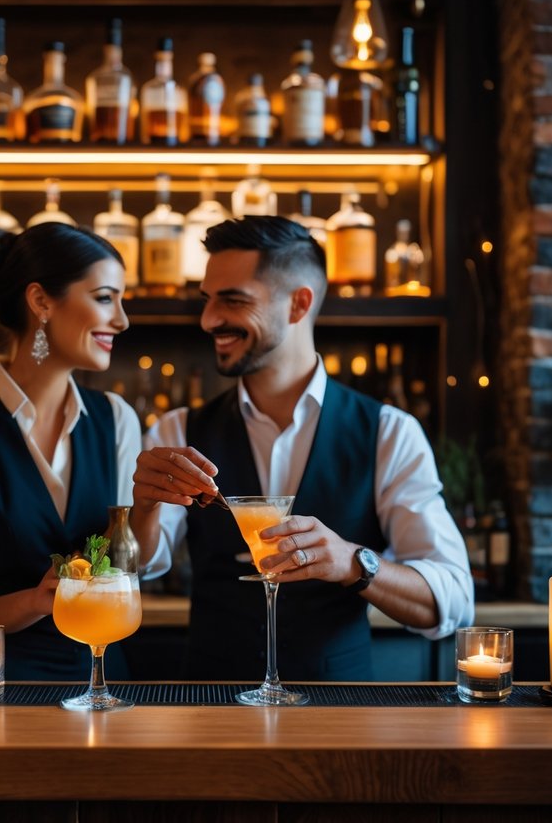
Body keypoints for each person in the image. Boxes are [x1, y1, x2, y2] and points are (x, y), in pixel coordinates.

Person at [130, 216, 473, 682]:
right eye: (207, 300)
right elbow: (138, 567)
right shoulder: (177, 430)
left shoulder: (389, 432)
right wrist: (144, 509)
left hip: (338, 711)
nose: (208, 319)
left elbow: (452, 600)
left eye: (233, 300)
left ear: (298, 304)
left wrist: (353, 563)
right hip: (211, 708)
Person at [0, 222, 156, 680]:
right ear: (41, 301)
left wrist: (149, 505)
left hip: (106, 690)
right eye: (105, 298)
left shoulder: (116, 417)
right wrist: (36, 601)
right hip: (2, 694)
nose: (122, 320)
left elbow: (138, 569)